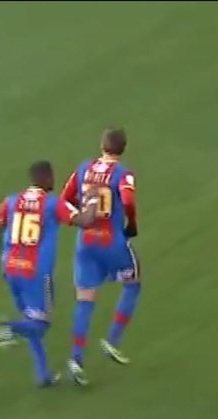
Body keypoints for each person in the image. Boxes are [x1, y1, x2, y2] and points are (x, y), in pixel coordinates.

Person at [0, 161, 98, 387]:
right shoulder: (52, 205)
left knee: (31, 317)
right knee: (40, 324)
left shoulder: (11, 201)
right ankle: (8, 327)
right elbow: (86, 221)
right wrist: (93, 199)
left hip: (10, 268)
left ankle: (43, 375)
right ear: (47, 179)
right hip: (36, 272)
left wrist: (1, 251)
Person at [60, 128, 142, 385]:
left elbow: (65, 199)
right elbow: (127, 199)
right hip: (112, 242)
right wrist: (131, 222)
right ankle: (113, 339)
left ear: (102, 145)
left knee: (85, 300)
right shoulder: (122, 173)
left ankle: (76, 358)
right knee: (133, 282)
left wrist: (82, 216)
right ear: (123, 149)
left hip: (86, 242)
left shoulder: (84, 168)